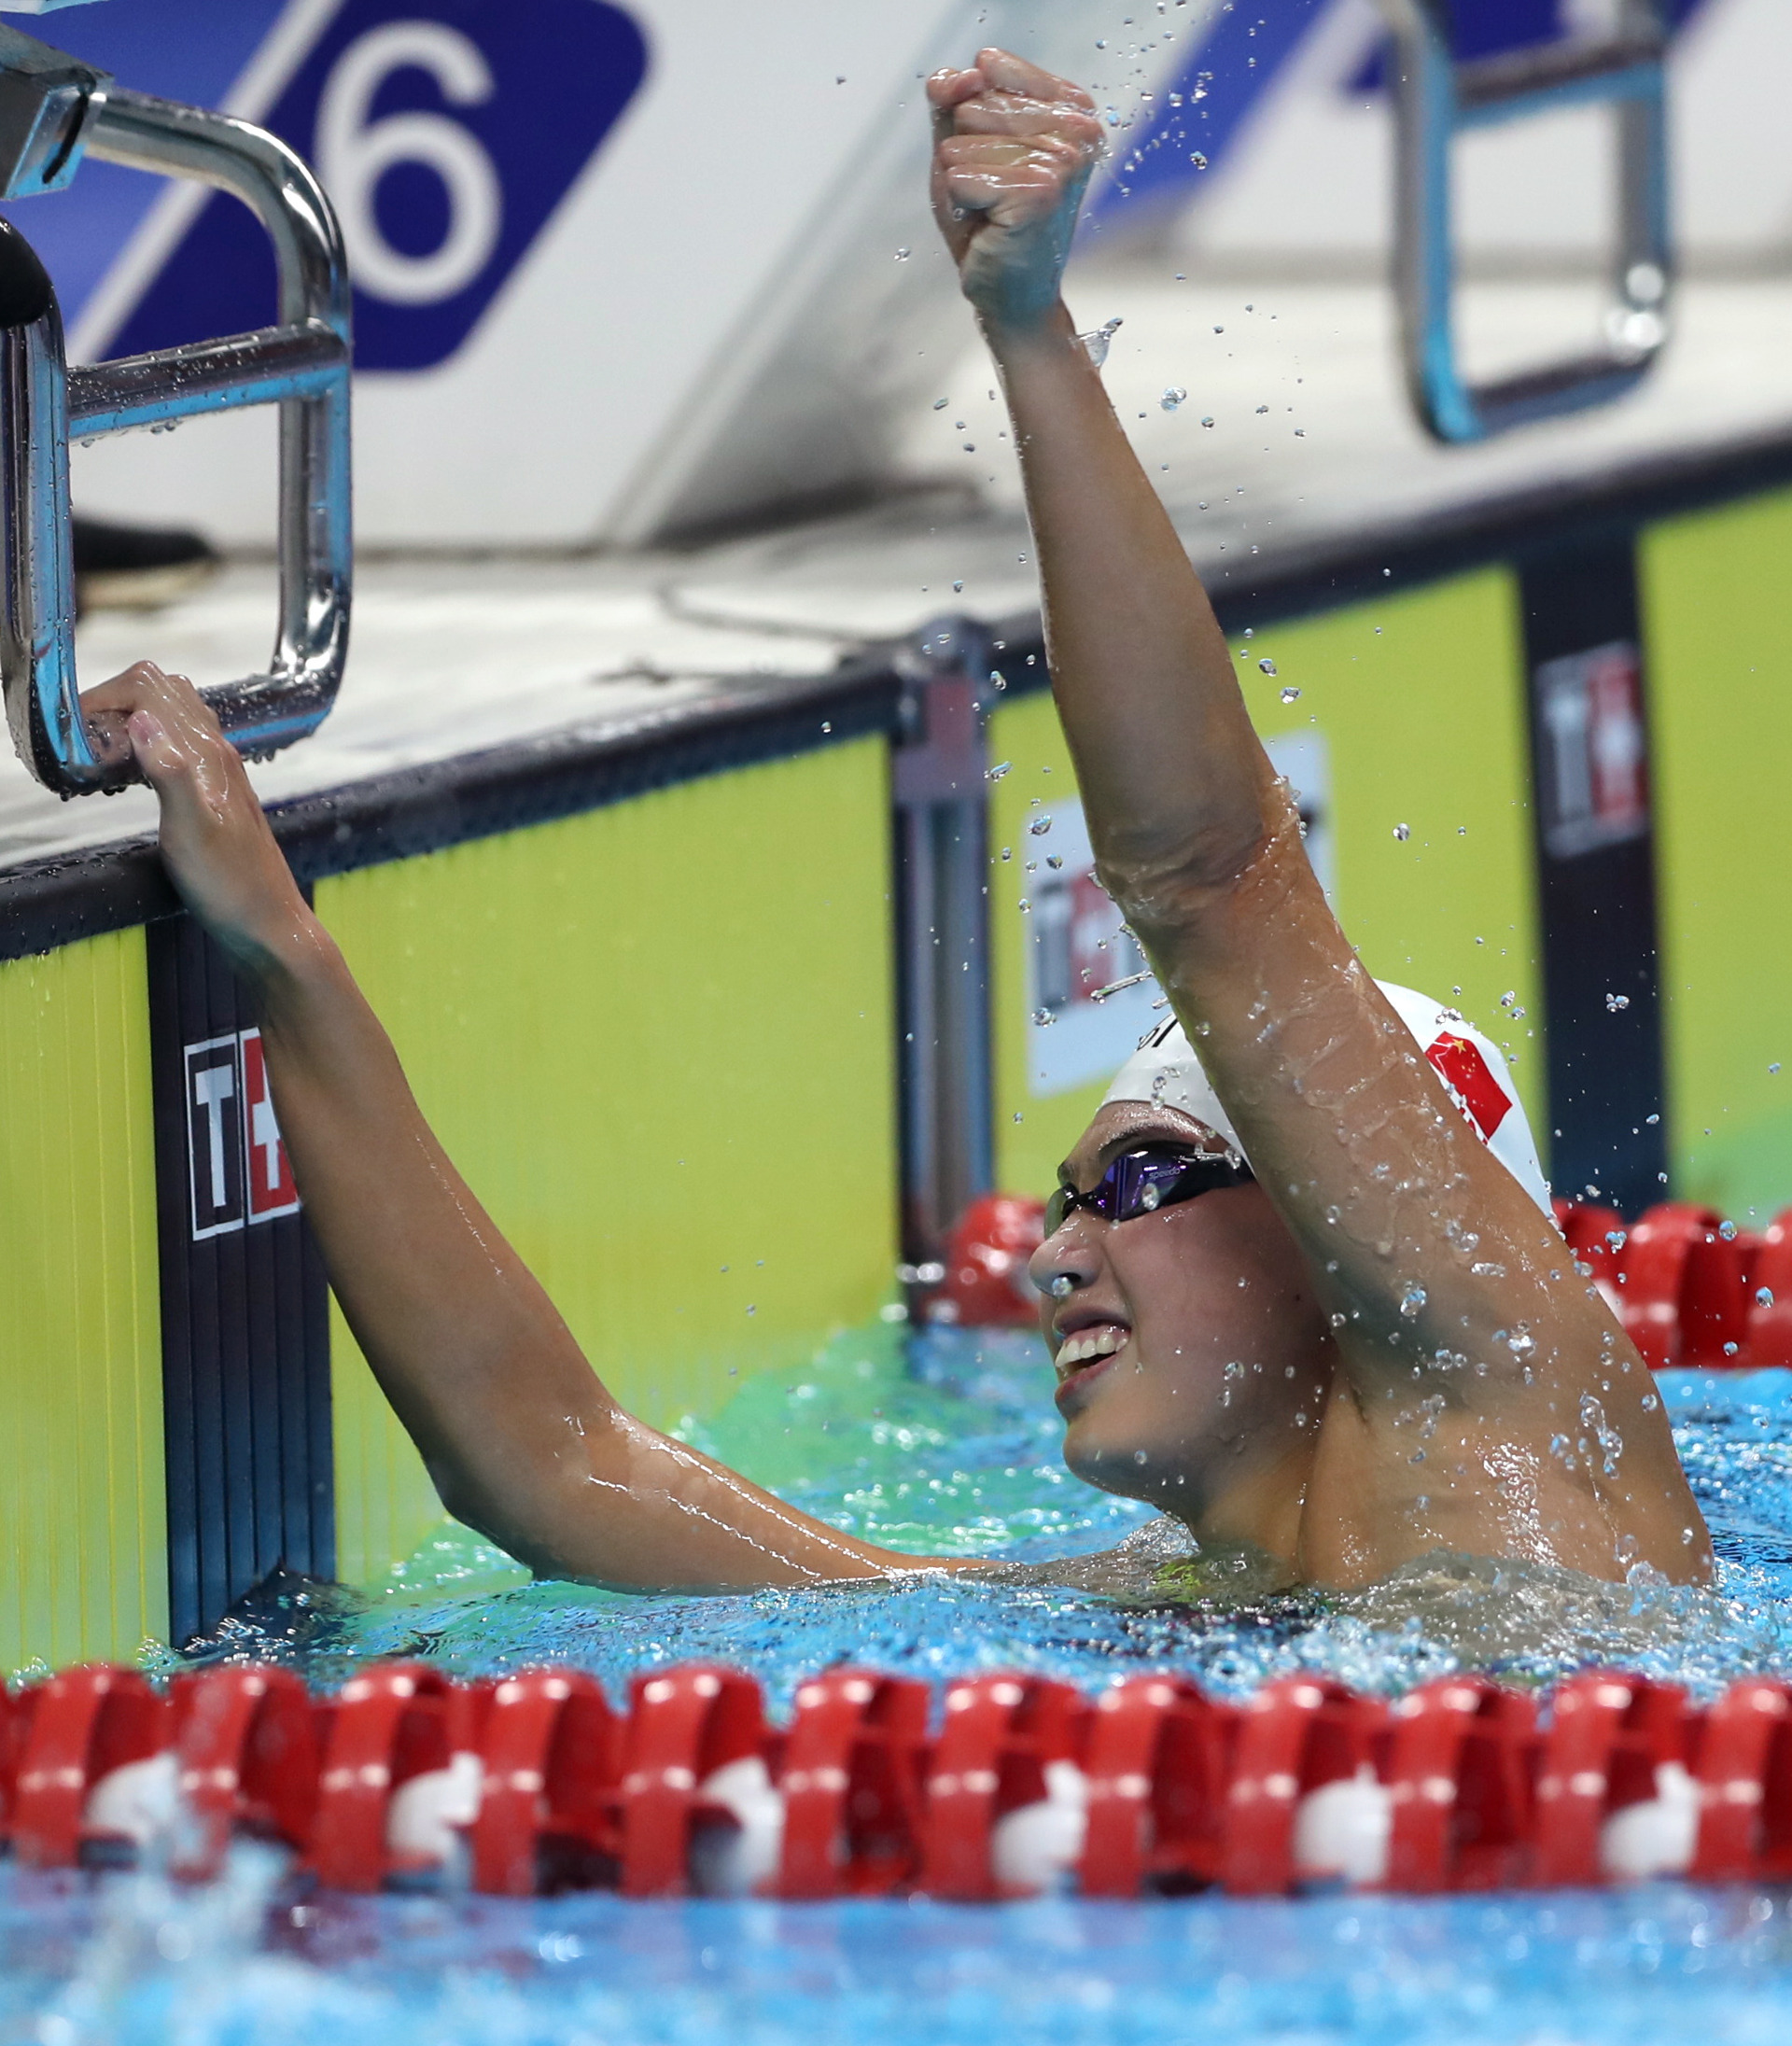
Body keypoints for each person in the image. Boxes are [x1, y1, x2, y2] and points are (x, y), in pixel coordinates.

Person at [79, 48, 1710, 1598]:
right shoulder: (1167, 1616)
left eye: (1136, 1185)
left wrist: (1031, 332)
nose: (1053, 1260)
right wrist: (282, 951)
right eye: (1071, 1200)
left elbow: (1213, 882)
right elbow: (553, 1468)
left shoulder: (1511, 1432)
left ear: (1353, 1233)